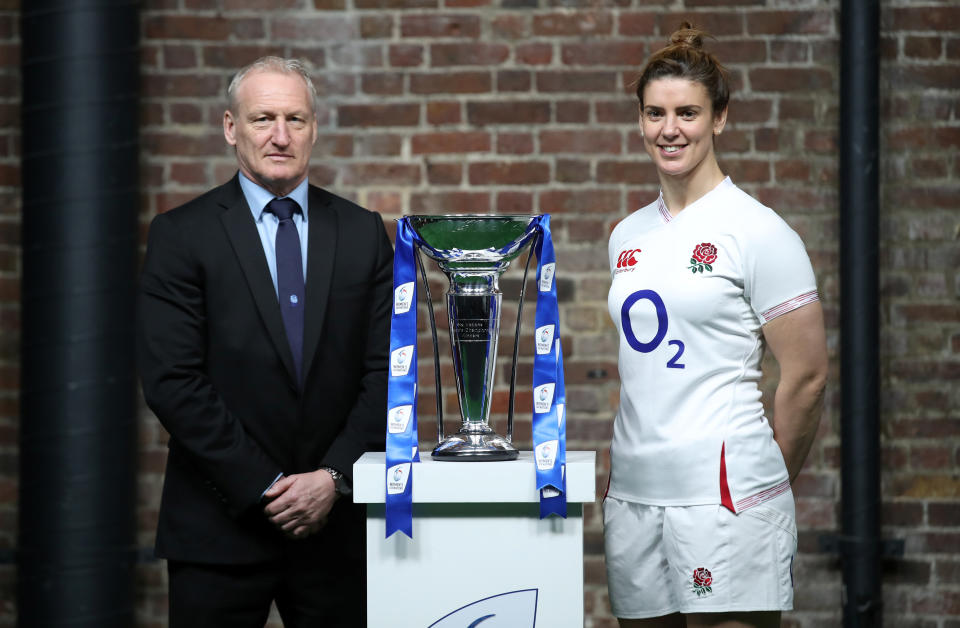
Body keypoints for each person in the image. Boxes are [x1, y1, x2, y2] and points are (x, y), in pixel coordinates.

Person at [138, 56, 392, 627]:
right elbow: (173, 381)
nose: (280, 136)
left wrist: (332, 479)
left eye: (295, 120)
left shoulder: (361, 233)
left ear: (314, 128)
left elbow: (388, 373)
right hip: (217, 529)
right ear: (231, 127)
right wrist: (269, 486)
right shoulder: (182, 235)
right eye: (263, 119)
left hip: (338, 531)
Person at [603, 24, 829, 628]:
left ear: (719, 119)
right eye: (655, 113)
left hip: (727, 498)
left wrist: (764, 479)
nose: (668, 129)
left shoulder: (758, 231)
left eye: (687, 113)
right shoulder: (627, 235)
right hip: (634, 493)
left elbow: (806, 377)